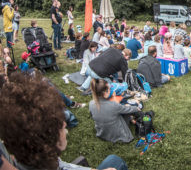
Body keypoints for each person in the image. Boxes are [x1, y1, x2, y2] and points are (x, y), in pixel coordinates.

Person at [0, 72, 129, 170]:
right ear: (49, 140)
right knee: (115, 161)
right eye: (59, 125)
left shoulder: (24, 159)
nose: (64, 123)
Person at [89, 78, 140, 143]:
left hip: (102, 133)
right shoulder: (113, 105)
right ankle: (131, 120)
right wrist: (136, 107)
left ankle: (131, 119)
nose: (111, 90)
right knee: (127, 107)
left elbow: (92, 115)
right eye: (109, 89)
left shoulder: (91, 103)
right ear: (105, 93)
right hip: (117, 135)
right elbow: (126, 109)